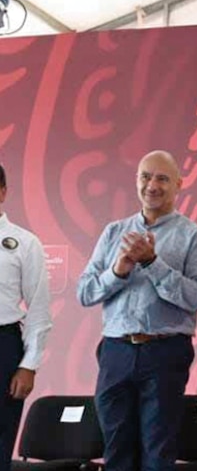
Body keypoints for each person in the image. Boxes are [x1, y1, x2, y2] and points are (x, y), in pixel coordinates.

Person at [76, 150, 197, 471]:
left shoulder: (195, 236)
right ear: (136, 180)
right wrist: (119, 271)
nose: (152, 185)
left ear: (179, 184)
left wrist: (152, 263)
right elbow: (84, 292)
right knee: (116, 451)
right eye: (145, 176)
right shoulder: (113, 232)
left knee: (157, 451)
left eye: (162, 178)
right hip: (115, 351)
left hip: (165, 352)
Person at [0, 164, 51, 471]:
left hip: (4, 347)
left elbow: (40, 310)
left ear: (2, 192)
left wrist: (28, 364)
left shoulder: (24, 242)